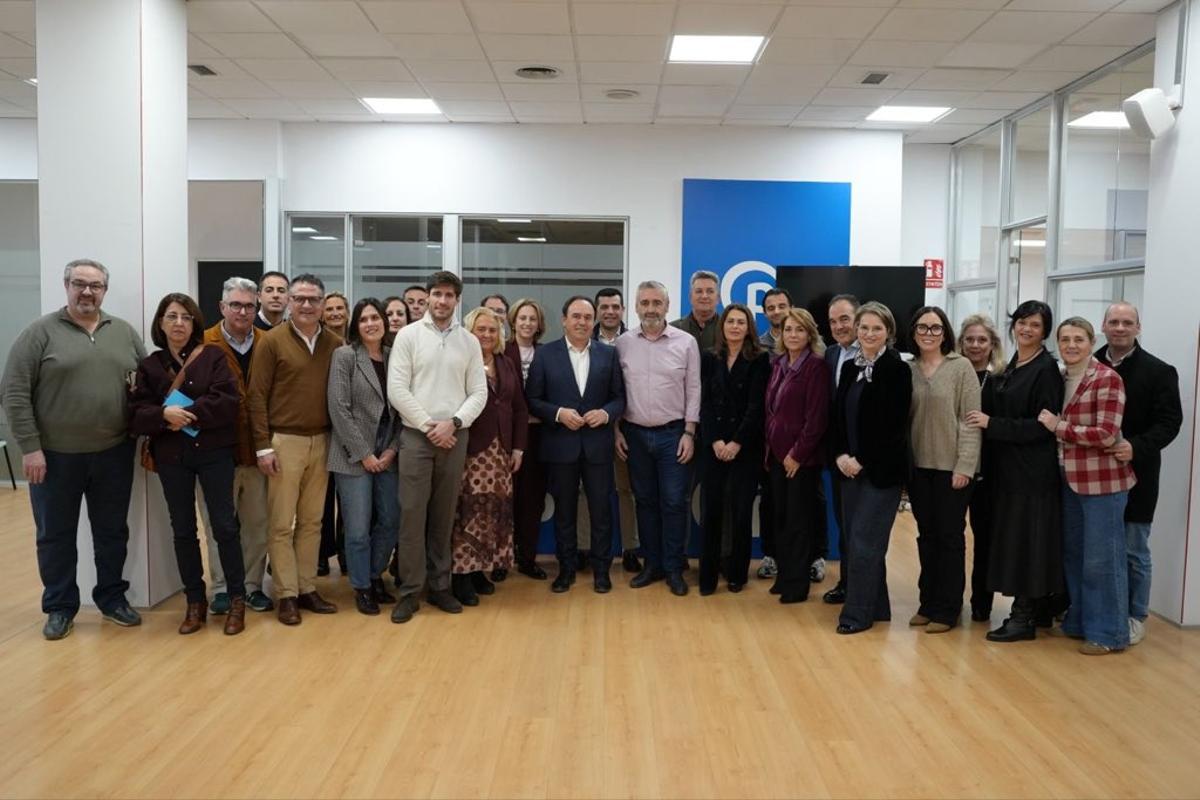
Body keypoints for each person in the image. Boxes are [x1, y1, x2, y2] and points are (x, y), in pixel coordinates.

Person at [1, 259, 146, 640]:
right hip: (53, 457)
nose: (87, 292)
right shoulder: (39, 333)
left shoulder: (124, 333)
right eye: (79, 284)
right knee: (55, 535)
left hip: (114, 453)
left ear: (104, 291)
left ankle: (112, 599)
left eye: (95, 285)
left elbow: (146, 386)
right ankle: (61, 607)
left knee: (112, 532)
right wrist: (29, 449)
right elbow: (14, 393)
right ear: (65, 285)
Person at [129, 293, 245, 635]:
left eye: (185, 317)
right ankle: (195, 602)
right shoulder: (150, 365)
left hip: (214, 453)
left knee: (224, 526)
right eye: (171, 317)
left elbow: (228, 401)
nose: (178, 323)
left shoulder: (213, 356)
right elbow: (135, 414)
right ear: (160, 323)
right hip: (172, 457)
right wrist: (163, 415)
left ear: (195, 322)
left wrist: (187, 414)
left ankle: (236, 599)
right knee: (182, 529)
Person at [387, 271, 488, 623]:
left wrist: (455, 423)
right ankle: (410, 591)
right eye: (437, 294)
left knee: (444, 517)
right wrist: (431, 426)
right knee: (412, 514)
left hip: (455, 436)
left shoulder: (469, 342)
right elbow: (397, 389)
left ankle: (440, 586)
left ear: (458, 299)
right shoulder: (409, 336)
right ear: (428, 297)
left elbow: (479, 392)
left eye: (449, 295)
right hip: (417, 436)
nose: (442, 301)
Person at [966, 300, 1065, 643]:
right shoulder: (1013, 365)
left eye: (1035, 325)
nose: (1026, 329)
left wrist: (993, 423)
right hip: (1007, 473)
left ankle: (1022, 617)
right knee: (1015, 542)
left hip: (1031, 475)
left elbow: (1041, 427)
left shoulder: (1046, 370)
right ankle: (1035, 612)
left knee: (1028, 545)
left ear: (1044, 331)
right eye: (1022, 322)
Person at [247, 273, 342, 625]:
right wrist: (262, 448)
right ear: (289, 302)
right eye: (299, 298)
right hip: (283, 442)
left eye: (313, 299)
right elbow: (255, 396)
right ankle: (286, 593)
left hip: (324, 440)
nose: (306, 304)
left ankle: (306, 587)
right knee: (281, 523)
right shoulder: (271, 341)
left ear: (322, 304)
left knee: (314, 522)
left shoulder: (335, 343)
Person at [1037, 317, 1136, 655]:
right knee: (1075, 555)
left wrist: (1059, 427)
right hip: (1068, 480)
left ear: (1091, 342)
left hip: (1103, 484)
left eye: (1078, 339)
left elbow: (1106, 433)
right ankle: (1079, 621)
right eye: (1065, 339)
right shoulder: (1060, 377)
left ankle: (1109, 633)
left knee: (1102, 560)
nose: (1071, 345)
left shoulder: (1108, 379)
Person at [1096, 302, 1182, 645]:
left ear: (1138, 328)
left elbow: (1169, 423)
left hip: (1139, 473)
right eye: (1114, 321)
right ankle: (1100, 611)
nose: (1120, 327)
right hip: (1093, 475)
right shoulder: (1086, 365)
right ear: (1103, 326)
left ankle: (1135, 615)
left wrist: (1136, 446)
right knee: (1098, 549)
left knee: (1134, 550)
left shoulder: (1159, 371)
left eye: (1126, 322)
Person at [527, 296, 625, 594]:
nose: (582, 322)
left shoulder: (609, 355)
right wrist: (558, 413)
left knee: (601, 512)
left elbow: (620, 398)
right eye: (576, 316)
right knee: (565, 512)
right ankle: (566, 569)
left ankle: (601, 571)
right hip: (561, 445)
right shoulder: (545, 355)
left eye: (587, 316)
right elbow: (532, 398)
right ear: (564, 319)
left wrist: (606, 413)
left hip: (597, 446)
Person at [831, 301, 912, 634]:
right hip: (848, 471)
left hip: (880, 474)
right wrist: (840, 456)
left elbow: (893, 428)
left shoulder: (897, 370)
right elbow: (837, 418)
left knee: (866, 543)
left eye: (876, 328)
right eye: (863, 327)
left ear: (888, 332)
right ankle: (878, 607)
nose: (868, 333)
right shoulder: (851, 368)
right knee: (856, 541)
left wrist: (861, 460)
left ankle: (856, 615)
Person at [617, 280, 700, 596]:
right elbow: (616, 391)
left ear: (667, 306)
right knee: (646, 502)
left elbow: (694, 389)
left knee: (675, 503)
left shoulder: (686, 342)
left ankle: (674, 567)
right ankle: (651, 564)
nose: (650, 308)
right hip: (635, 436)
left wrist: (690, 432)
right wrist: (615, 432)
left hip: (673, 435)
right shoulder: (624, 343)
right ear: (636, 306)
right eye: (645, 302)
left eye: (657, 302)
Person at [199, 278, 274, 615]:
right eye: (236, 305)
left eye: (249, 306)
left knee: (258, 524)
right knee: (219, 524)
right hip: (217, 454)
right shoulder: (203, 344)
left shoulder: (269, 343)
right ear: (222, 308)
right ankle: (221, 589)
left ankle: (253, 586)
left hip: (258, 452)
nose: (243, 311)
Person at [906, 306, 981, 633]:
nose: (929, 333)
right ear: (913, 332)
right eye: (923, 327)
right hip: (918, 468)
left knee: (950, 538)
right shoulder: (907, 369)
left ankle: (948, 609)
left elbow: (971, 421)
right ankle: (928, 602)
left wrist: (965, 465)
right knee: (927, 537)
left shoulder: (960, 366)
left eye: (936, 328)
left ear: (945, 332)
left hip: (953, 469)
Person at [327, 298, 401, 616]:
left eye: (376, 317)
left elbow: (402, 409)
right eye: (364, 319)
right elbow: (339, 408)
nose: (371, 323)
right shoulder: (345, 356)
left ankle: (374, 575)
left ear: (384, 322)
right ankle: (361, 586)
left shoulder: (394, 357)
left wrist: (391, 449)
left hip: (388, 454)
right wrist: (364, 454)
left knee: (391, 520)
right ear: (356, 325)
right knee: (357, 528)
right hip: (353, 456)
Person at [450, 307, 528, 605]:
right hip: (469, 450)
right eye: (480, 329)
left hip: (501, 453)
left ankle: (480, 569)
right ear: (469, 331)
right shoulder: (460, 362)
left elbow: (519, 408)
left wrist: (518, 447)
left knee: (493, 513)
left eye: (492, 330)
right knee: (467, 512)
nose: (486, 334)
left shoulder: (506, 363)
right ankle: (460, 576)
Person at [699, 304, 768, 596]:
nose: (735, 327)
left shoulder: (760, 359)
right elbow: (703, 402)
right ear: (722, 326)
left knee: (741, 514)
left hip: (745, 448)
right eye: (730, 321)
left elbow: (756, 407)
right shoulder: (710, 357)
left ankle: (737, 574)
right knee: (711, 512)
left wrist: (736, 443)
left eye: (741, 322)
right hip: (713, 447)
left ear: (749, 327)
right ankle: (707, 577)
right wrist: (715, 441)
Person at [763, 308, 831, 604]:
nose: (793, 335)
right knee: (781, 519)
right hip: (775, 457)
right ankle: (784, 577)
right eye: (788, 329)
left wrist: (796, 455)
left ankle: (797, 584)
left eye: (799, 330)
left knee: (798, 522)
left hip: (800, 460)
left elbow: (816, 420)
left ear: (810, 334)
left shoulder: (816, 367)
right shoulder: (778, 363)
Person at [577, 287, 640, 574]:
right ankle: (584, 548)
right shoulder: (581, 342)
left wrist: (618, 428)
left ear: (623, 310)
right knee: (585, 491)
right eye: (604, 307)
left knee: (626, 490)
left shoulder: (635, 342)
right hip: (590, 430)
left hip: (629, 428)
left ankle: (630, 548)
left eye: (616, 306)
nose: (610, 312)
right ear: (597, 311)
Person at [956, 313, 1006, 622]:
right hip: (953, 468)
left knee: (984, 538)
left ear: (992, 345)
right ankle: (947, 598)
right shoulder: (953, 372)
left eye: (982, 340)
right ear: (961, 343)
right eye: (970, 339)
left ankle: (981, 603)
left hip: (988, 472)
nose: (975, 345)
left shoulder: (1001, 380)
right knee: (951, 536)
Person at [819, 293, 861, 604]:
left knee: (864, 532)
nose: (838, 326)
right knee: (845, 525)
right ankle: (848, 583)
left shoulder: (874, 355)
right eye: (833, 321)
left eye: (844, 319)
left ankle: (865, 590)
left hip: (865, 460)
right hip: (838, 459)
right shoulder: (830, 354)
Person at [506, 298, 549, 580]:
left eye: (532, 318)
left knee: (532, 501)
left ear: (539, 324)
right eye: (522, 318)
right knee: (505, 500)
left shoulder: (548, 353)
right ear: (513, 321)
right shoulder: (501, 352)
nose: (527, 323)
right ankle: (501, 560)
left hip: (540, 435)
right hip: (506, 436)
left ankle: (528, 558)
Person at [754, 286, 792, 583]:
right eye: (771, 307)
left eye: (781, 306)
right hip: (766, 438)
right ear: (764, 312)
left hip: (800, 440)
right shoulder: (758, 345)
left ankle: (812, 556)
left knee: (807, 500)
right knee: (769, 498)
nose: (776, 311)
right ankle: (771, 555)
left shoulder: (806, 342)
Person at [318, 291, 350, 576]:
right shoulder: (319, 343)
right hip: (323, 428)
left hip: (351, 431)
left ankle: (344, 552)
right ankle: (320, 553)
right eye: (330, 309)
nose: (335, 313)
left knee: (348, 498)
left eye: (340, 308)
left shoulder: (358, 343)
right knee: (323, 498)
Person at [670, 270, 720, 351]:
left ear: (718, 298)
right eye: (699, 291)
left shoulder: (727, 330)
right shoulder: (673, 330)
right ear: (690, 297)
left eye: (710, 291)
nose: (704, 296)